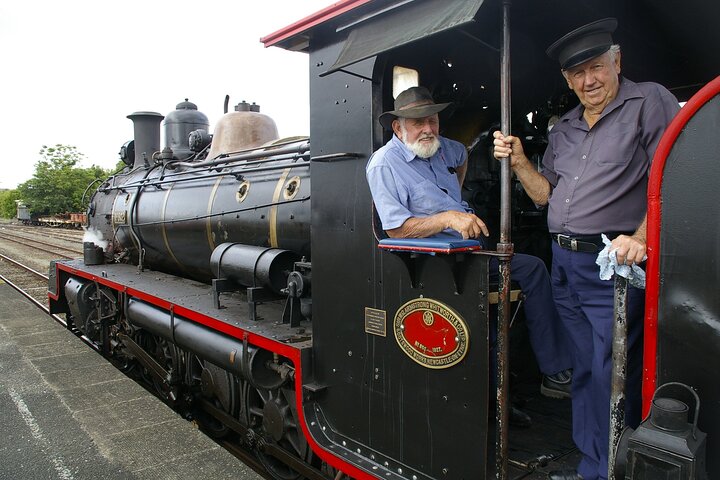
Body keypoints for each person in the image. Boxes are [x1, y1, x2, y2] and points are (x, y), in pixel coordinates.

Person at [493, 18, 680, 480]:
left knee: (612, 372)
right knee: (583, 369)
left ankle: (613, 469)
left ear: (617, 61)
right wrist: (517, 161)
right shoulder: (565, 128)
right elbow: (543, 196)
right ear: (566, 79)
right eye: (577, 74)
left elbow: (675, 173)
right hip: (564, 263)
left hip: (611, 265)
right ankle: (590, 462)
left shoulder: (649, 102)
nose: (588, 80)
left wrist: (639, 238)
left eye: (597, 67)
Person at [366, 86, 573, 427]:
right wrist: (449, 218)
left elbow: (461, 156)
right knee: (483, 320)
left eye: (431, 120)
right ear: (398, 128)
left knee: (534, 268)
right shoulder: (384, 164)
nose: (427, 129)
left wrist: (455, 201)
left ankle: (554, 372)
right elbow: (396, 231)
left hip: (469, 252)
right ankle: (489, 407)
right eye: (417, 123)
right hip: (430, 262)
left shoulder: (446, 148)